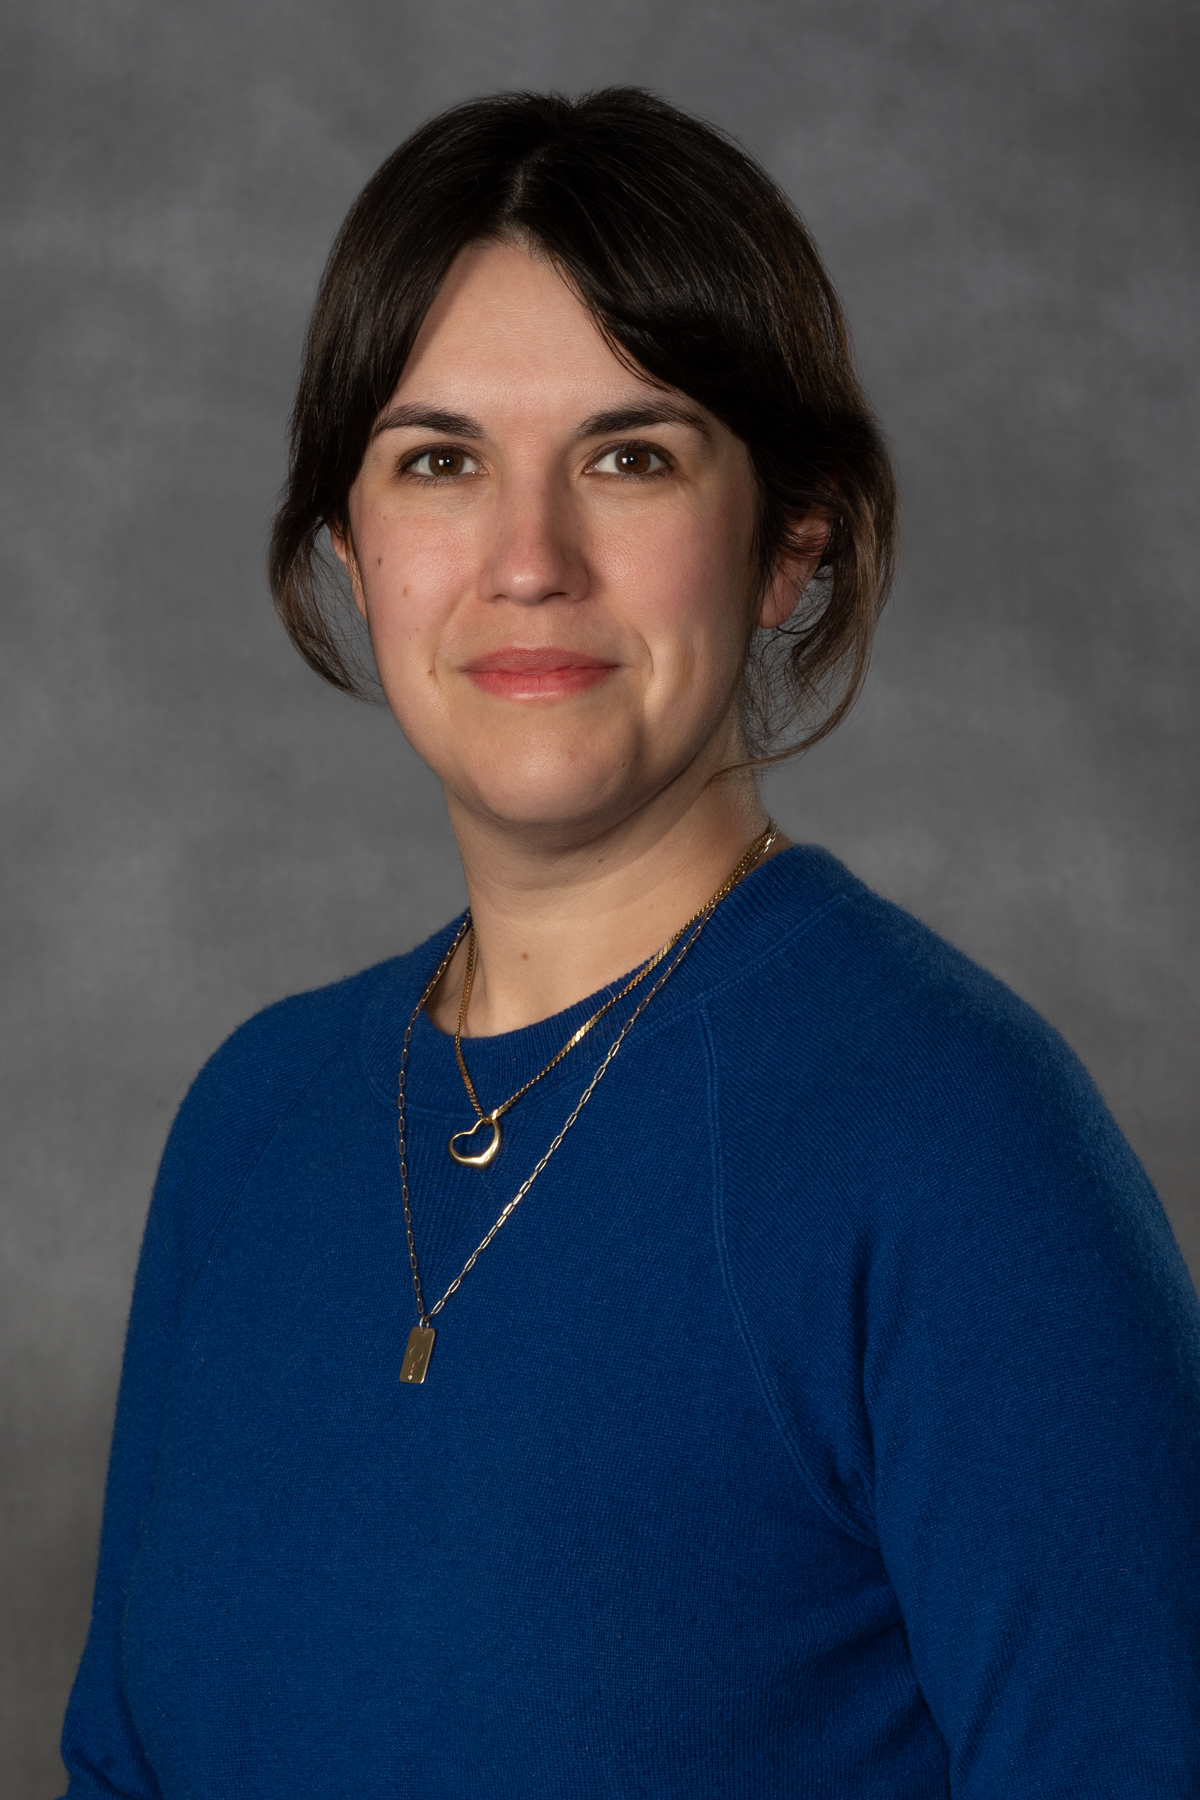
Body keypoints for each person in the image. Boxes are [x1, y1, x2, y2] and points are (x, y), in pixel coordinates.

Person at [60, 89, 1200, 1799]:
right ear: (351, 546)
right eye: (440, 460)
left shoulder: (963, 1151)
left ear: (788, 544)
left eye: (631, 455)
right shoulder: (248, 1123)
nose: (530, 561)